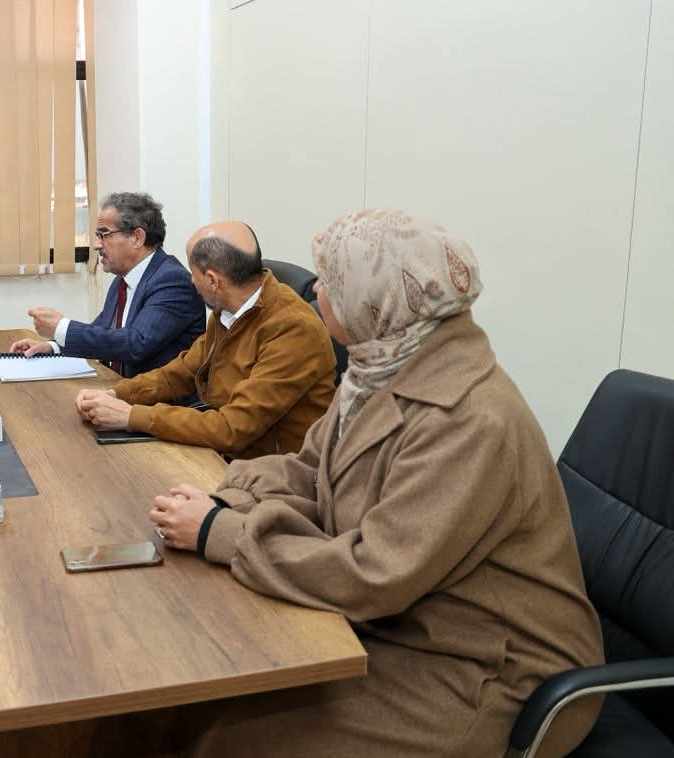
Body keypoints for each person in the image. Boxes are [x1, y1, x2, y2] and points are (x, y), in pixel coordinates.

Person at [150, 210, 603, 756]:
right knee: (203, 696)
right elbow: (308, 469)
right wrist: (222, 501)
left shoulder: (470, 419)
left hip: (489, 668)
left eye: (332, 282)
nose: (316, 291)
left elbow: (376, 574)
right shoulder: (382, 367)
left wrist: (218, 533)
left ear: (378, 301)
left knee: (229, 735)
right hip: (412, 621)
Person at [76, 220, 335, 458]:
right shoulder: (228, 311)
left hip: (273, 472)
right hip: (225, 456)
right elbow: (178, 374)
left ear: (212, 280)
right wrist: (115, 394)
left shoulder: (292, 328)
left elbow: (232, 428)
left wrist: (131, 416)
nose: (190, 280)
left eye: (192, 273)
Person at [9, 192, 205, 378]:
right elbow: (103, 330)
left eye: (104, 235)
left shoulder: (172, 281)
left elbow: (135, 344)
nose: (96, 245)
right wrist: (53, 346)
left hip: (158, 398)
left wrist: (62, 327)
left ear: (137, 238)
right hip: (118, 388)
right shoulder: (123, 277)